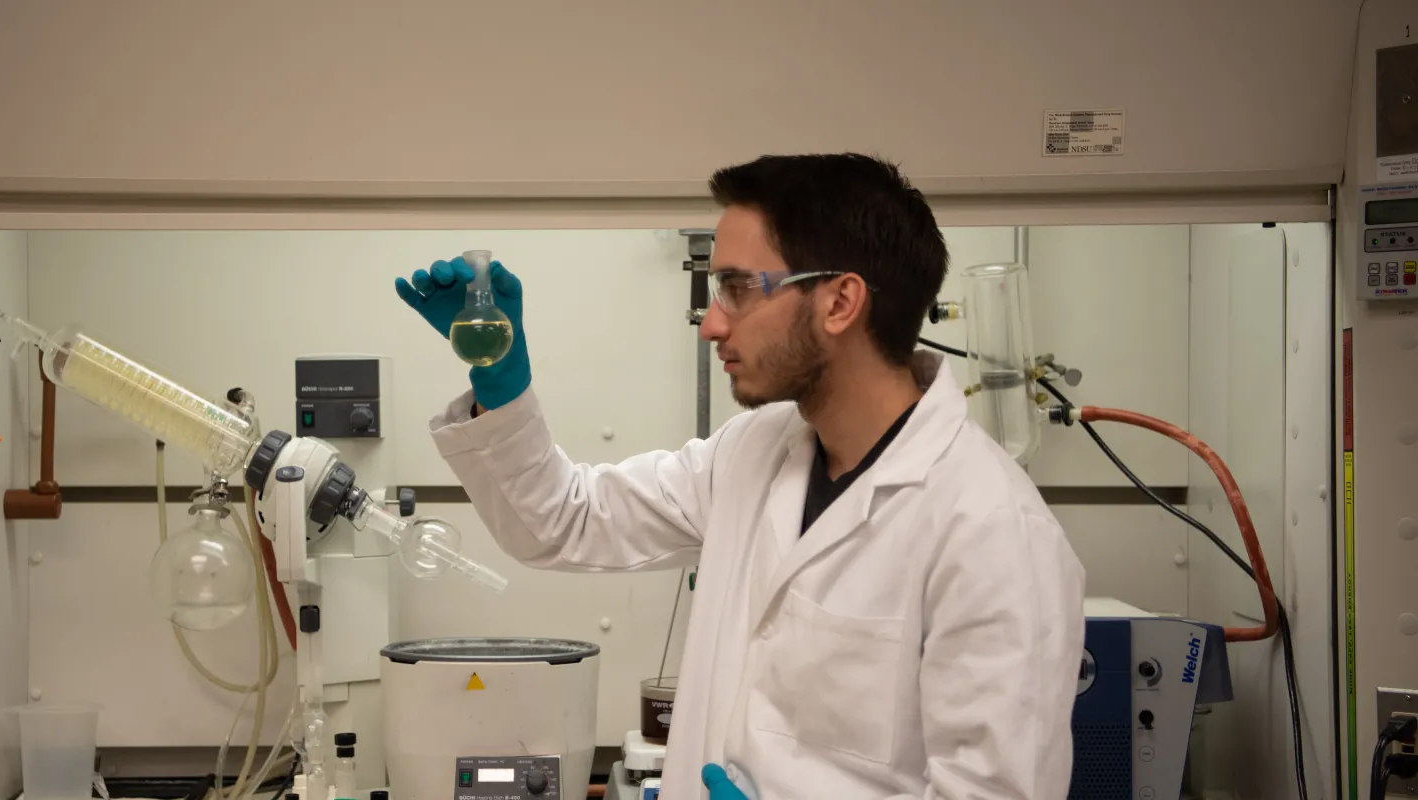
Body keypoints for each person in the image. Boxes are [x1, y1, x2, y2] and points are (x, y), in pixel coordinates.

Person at [394, 153, 1086, 799]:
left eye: (734, 288)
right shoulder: (754, 452)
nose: (711, 324)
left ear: (840, 303)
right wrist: (501, 385)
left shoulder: (994, 534)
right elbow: (564, 522)